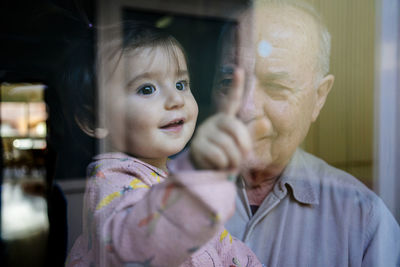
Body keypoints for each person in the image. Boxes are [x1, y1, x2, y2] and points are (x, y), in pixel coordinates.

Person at [178, 0, 400, 266]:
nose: (246, 109)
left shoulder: (363, 219)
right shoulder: (154, 188)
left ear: (319, 97)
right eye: (228, 83)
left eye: (275, 87)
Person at [66, 23, 262, 267]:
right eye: (147, 89)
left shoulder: (171, 174)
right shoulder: (111, 181)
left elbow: (224, 246)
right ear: (94, 120)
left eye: (181, 84)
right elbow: (142, 243)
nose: (176, 99)